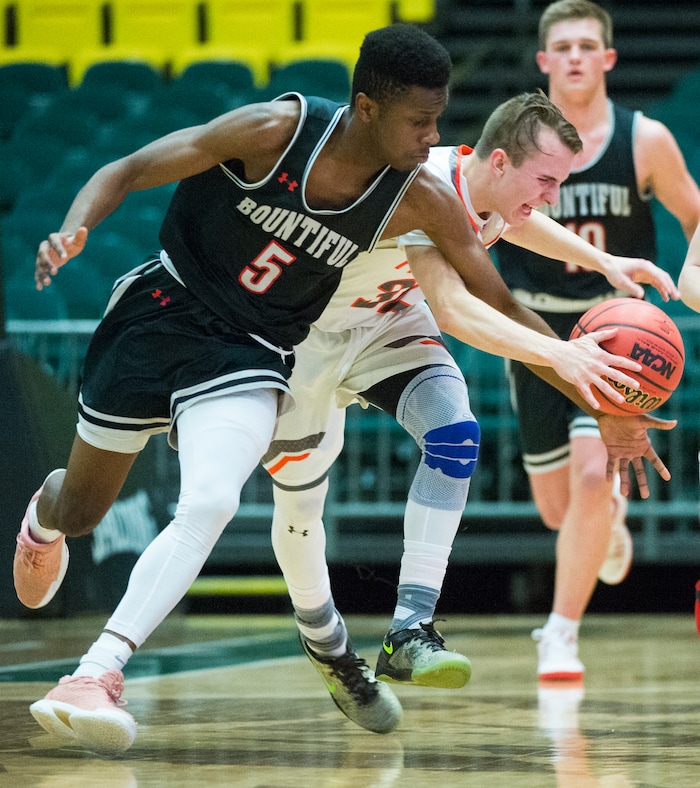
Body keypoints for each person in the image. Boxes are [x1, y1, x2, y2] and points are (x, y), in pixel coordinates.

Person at [13, 23, 671, 755]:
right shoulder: (326, 150)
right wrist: (74, 228)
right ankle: (61, 522)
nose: (431, 134)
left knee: (267, 485)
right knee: (186, 511)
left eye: (437, 120)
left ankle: (394, 630)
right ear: (370, 109)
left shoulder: (437, 192)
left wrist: (603, 326)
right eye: (419, 120)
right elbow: (459, 311)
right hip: (240, 325)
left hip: (312, 339)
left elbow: (512, 262)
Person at [264, 91, 680, 694]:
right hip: (310, 335)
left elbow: (525, 221)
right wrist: (562, 354)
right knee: (274, 504)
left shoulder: (484, 190)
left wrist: (605, 261)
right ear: (503, 163)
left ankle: (409, 628)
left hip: (382, 329)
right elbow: (456, 310)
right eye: (546, 179)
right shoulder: (424, 186)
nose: (552, 198)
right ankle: (316, 636)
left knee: (456, 434)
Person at [495, 0, 700, 681]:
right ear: (544, 61)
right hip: (532, 331)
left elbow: (696, 215)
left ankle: (560, 632)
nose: (577, 56)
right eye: (565, 46)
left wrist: (692, 268)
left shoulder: (644, 139)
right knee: (560, 508)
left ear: (608, 58)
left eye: (589, 45)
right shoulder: (516, 141)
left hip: (615, 332)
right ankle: (604, 526)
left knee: (593, 475)